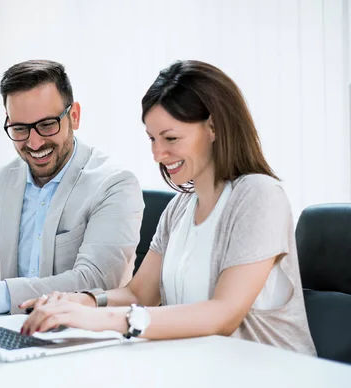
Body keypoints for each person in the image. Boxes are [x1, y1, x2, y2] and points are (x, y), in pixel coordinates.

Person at [20, 60, 317, 356]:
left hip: (272, 378)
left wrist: (101, 319)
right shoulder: (180, 207)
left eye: (171, 138)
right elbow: (139, 293)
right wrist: (82, 301)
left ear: (213, 127)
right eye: (152, 138)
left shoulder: (259, 195)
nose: (157, 154)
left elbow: (224, 314)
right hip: (204, 372)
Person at [0, 60, 144, 315]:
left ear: (74, 116)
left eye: (46, 125)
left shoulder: (115, 184)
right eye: (20, 128)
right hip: (12, 327)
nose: (34, 142)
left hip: (84, 336)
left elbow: (94, 281)